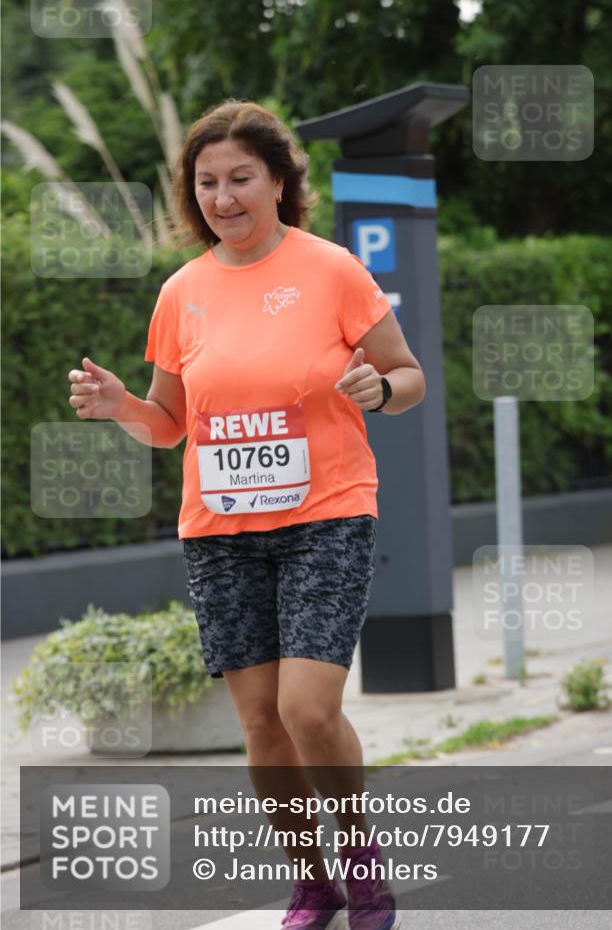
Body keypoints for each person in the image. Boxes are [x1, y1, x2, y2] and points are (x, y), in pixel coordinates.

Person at [68, 99, 425, 930]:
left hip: (327, 515)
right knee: (260, 721)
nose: (223, 198)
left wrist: (379, 388)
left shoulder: (331, 268)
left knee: (307, 707)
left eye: (239, 179)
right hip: (221, 530)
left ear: (276, 182)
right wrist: (123, 403)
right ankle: (312, 884)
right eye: (206, 184)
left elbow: (406, 374)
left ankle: (362, 864)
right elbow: (168, 427)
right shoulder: (180, 292)